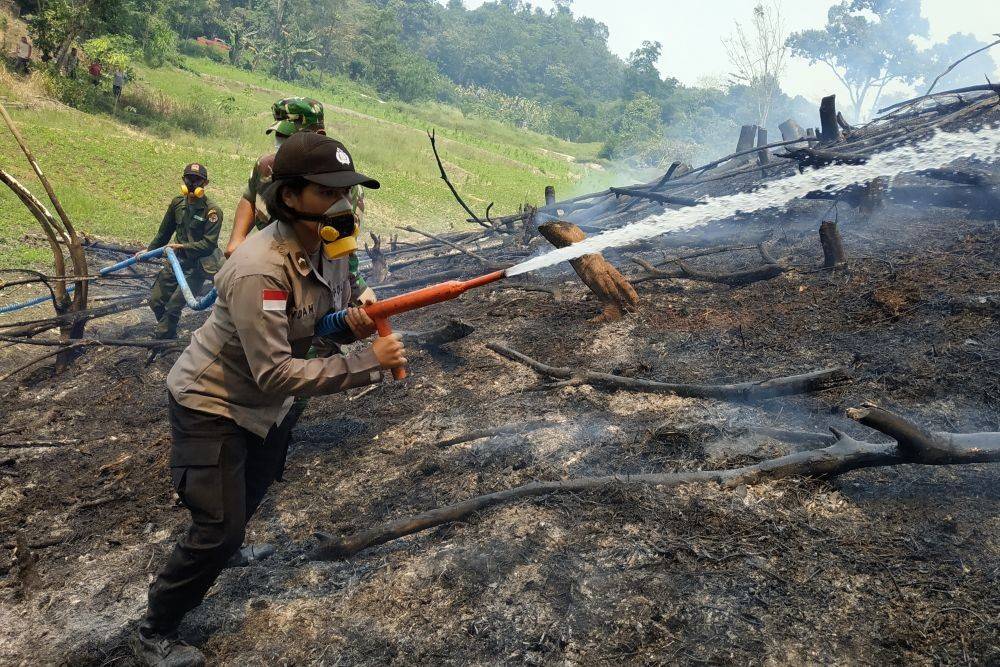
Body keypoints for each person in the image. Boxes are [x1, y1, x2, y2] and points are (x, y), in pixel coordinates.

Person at [132, 133, 405, 666]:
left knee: (252, 490)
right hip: (214, 403)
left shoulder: (328, 248)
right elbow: (276, 370)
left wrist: (350, 324)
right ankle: (154, 630)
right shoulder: (260, 267)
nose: (343, 204)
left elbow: (313, 321)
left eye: (347, 190)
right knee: (216, 529)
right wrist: (366, 362)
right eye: (328, 192)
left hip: (268, 404)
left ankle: (226, 552)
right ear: (290, 198)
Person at [223, 97, 375, 305]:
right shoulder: (267, 166)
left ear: (317, 135)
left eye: (289, 136)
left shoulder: (339, 184)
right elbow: (249, 196)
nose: (282, 143)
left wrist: (357, 286)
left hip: (312, 270)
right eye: (280, 135)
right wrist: (236, 239)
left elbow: (343, 243)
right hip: (273, 260)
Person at [140, 163, 224, 339]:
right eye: (189, 178)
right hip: (175, 263)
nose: (193, 183)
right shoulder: (177, 203)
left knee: (173, 307)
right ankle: (168, 333)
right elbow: (163, 233)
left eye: (197, 180)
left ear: (205, 183)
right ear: (183, 180)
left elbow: (209, 244)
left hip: (197, 267)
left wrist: (183, 247)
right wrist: (147, 253)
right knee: (156, 300)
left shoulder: (212, 211)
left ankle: (162, 339)